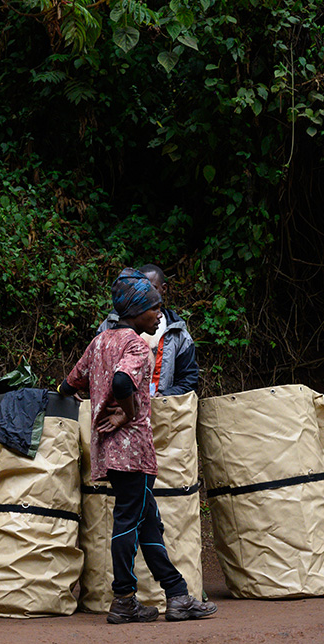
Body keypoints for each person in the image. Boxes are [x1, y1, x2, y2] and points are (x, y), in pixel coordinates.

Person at [60, 270, 217, 624]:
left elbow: (70, 384)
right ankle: (124, 599)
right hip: (132, 449)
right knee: (130, 521)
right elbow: (120, 381)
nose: (159, 314)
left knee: (148, 522)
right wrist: (125, 415)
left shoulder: (99, 343)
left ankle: (177, 595)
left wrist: (93, 399)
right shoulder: (134, 344)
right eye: (154, 308)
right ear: (136, 312)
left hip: (108, 452)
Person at [97, 264, 198, 396]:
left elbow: (189, 379)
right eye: (141, 289)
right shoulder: (110, 326)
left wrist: (166, 395)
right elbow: (93, 368)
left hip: (160, 409)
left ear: (164, 289)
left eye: (152, 288)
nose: (146, 294)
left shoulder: (177, 333)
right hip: (117, 407)